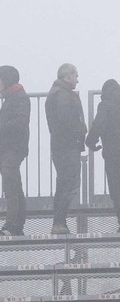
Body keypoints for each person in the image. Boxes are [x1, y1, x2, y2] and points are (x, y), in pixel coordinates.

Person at [0, 65, 31, 238]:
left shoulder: (17, 98)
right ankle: (16, 225)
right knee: (14, 186)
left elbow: (21, 122)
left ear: (6, 79)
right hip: (11, 148)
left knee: (11, 187)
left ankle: (11, 226)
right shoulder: (14, 97)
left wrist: (0, 130)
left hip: (12, 148)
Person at [45, 62, 87, 237]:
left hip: (62, 146)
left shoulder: (58, 93)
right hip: (67, 146)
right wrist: (80, 130)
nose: (77, 79)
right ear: (67, 76)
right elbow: (66, 120)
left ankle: (59, 221)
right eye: (75, 75)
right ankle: (59, 222)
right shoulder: (62, 95)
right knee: (68, 184)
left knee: (64, 183)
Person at [86, 78, 120, 233]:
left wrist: (90, 141)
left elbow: (99, 123)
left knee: (117, 189)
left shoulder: (106, 105)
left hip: (114, 154)